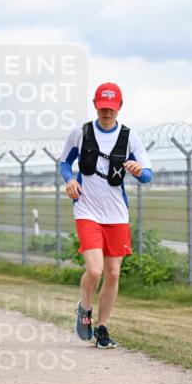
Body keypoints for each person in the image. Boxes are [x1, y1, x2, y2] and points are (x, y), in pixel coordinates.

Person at [59, 82, 153, 349]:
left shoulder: (130, 137)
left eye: (111, 108)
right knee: (95, 269)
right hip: (86, 209)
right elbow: (64, 161)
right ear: (95, 105)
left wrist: (137, 171)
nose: (107, 112)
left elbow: (148, 174)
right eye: (102, 108)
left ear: (120, 107)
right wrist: (69, 180)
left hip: (116, 214)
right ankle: (85, 307)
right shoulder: (81, 132)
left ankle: (102, 328)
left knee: (113, 274)